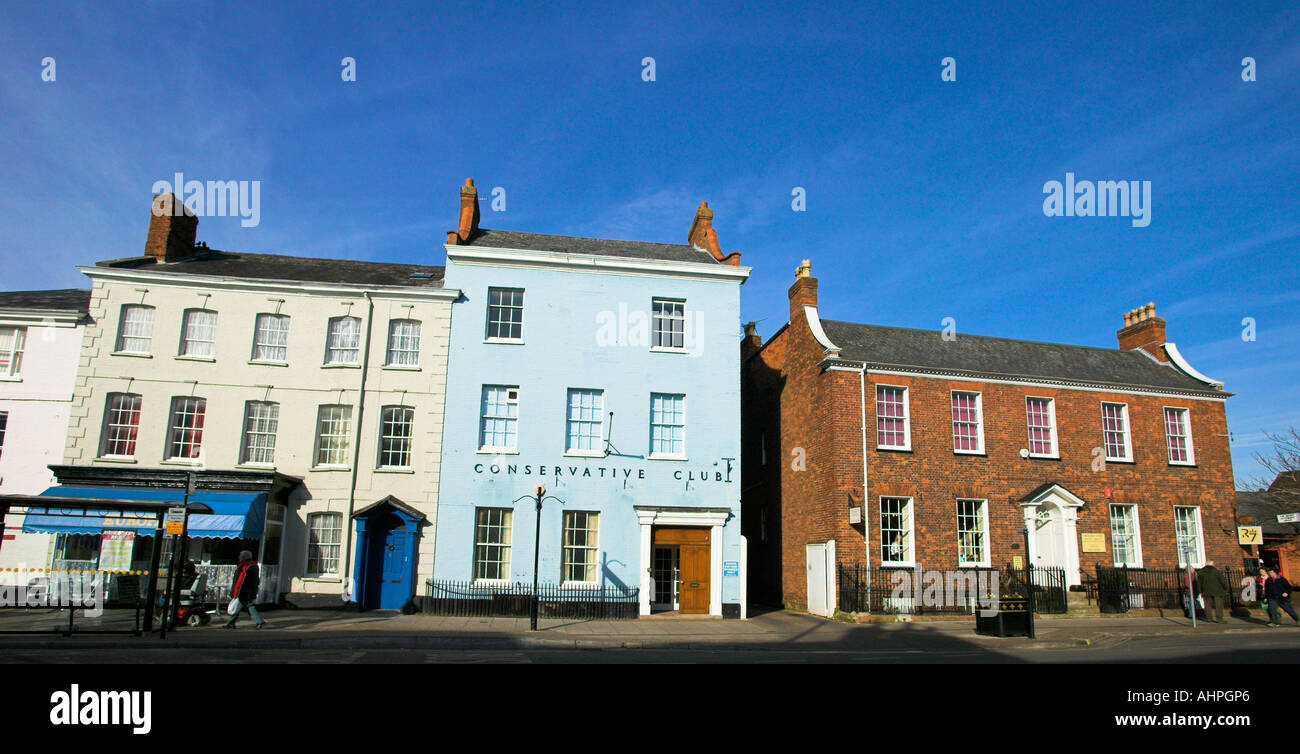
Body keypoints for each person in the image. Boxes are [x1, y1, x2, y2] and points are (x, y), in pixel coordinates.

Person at [223, 551, 266, 629]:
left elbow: (240, 581)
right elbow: (256, 580)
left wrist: (236, 591)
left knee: (240, 607)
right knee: (245, 606)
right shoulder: (254, 566)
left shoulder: (245, 567)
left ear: (244, 557)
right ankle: (231, 623)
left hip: (243, 591)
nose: (239, 558)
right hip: (249, 591)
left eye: (240, 556)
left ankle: (231, 623)